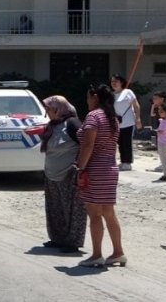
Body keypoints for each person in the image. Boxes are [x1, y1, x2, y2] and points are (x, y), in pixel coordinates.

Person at [74, 84, 126, 267]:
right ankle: (118, 252)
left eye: (88, 97)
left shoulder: (94, 116)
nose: (87, 101)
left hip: (95, 170)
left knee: (94, 214)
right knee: (109, 213)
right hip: (110, 169)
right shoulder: (112, 117)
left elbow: (88, 145)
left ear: (94, 97)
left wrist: (80, 167)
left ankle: (96, 254)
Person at [39, 95, 85, 253]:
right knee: (55, 208)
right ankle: (57, 238)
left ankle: (72, 242)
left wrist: (79, 165)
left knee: (71, 210)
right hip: (51, 174)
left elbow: (86, 144)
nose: (47, 112)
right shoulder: (52, 125)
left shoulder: (72, 124)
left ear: (59, 109)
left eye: (49, 109)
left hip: (68, 175)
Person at [110, 74, 141, 171]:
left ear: (121, 82)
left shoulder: (128, 92)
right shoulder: (111, 95)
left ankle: (128, 162)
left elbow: (136, 105)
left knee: (127, 142)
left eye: (116, 81)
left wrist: (138, 118)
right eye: (112, 81)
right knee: (119, 143)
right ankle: (123, 161)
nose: (114, 83)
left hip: (128, 122)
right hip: (117, 122)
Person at [147, 91, 166, 173]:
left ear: (162, 99)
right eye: (153, 98)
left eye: (156, 98)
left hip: (165, 128)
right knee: (161, 148)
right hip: (158, 126)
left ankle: (164, 164)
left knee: (162, 148)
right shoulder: (156, 107)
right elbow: (152, 115)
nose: (154, 100)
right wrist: (153, 106)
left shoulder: (165, 107)